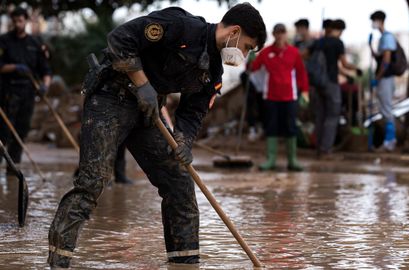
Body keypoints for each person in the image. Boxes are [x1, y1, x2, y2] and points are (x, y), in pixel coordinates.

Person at [47, 4, 266, 268]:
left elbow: (193, 111)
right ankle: (58, 260)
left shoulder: (214, 71)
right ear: (235, 31)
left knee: (179, 182)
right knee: (93, 181)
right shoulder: (181, 25)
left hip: (147, 112)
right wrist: (142, 83)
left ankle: (184, 262)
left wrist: (184, 141)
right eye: (246, 46)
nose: (243, 53)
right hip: (110, 98)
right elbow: (119, 39)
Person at [251, 23, 309, 172]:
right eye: (277, 32)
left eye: (282, 32)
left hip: (290, 96)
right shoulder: (265, 52)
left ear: (285, 34)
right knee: (271, 127)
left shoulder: (294, 52)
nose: (280, 35)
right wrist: (251, 58)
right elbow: (254, 67)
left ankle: (292, 160)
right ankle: (271, 159)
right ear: (274, 34)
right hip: (270, 96)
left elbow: (301, 73)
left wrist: (305, 91)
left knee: (291, 127)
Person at [0, 7, 51, 175]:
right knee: (4, 131)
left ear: (26, 20)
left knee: (22, 129)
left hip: (28, 92)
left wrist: (45, 86)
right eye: (14, 21)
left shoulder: (35, 43)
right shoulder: (4, 41)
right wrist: (13, 67)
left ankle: (13, 167)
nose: (17, 24)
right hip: (8, 92)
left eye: (20, 21)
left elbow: (45, 70)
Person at [309, 19, 362, 156]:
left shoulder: (319, 42)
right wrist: (356, 69)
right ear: (340, 30)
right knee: (332, 117)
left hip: (317, 83)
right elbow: (344, 64)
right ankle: (326, 150)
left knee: (320, 116)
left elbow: (306, 57)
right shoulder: (337, 43)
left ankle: (318, 148)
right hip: (331, 83)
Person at [370, 10, 397, 151]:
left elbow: (386, 60)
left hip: (385, 79)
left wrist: (378, 77)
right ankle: (388, 141)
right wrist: (371, 47)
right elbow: (380, 57)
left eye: (373, 21)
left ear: (379, 20)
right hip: (383, 78)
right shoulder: (382, 38)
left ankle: (390, 141)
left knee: (386, 109)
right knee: (384, 108)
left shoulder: (387, 37)